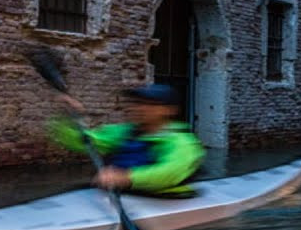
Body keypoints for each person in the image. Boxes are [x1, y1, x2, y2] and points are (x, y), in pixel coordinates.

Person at [50, 84, 205, 197]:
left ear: (169, 110)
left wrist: (125, 177)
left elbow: (170, 173)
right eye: (137, 103)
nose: (138, 108)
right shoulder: (123, 132)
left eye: (149, 104)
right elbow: (80, 142)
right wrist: (67, 117)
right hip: (123, 195)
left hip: (165, 199)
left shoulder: (182, 142)